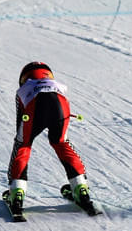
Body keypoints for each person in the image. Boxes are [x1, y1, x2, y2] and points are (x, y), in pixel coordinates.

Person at [7, 61, 91, 213]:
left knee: (23, 145)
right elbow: (64, 104)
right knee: (61, 143)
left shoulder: (24, 88)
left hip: (35, 106)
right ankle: (80, 188)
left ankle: (17, 193)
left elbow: (21, 118)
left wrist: (23, 137)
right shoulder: (57, 84)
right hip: (60, 105)